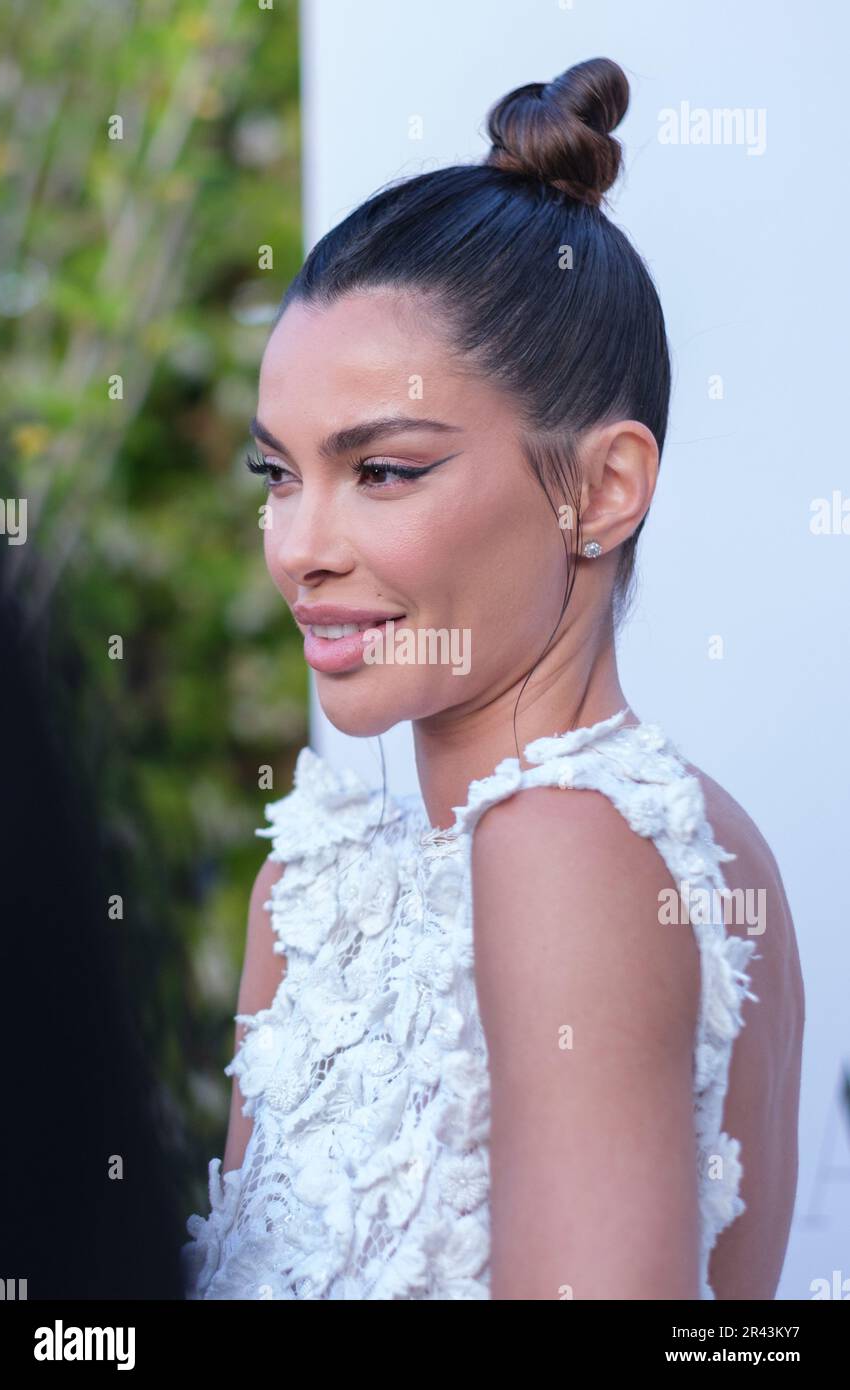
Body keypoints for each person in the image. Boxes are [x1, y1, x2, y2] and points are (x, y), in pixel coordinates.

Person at [181, 56, 804, 1300]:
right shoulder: (310, 891)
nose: (299, 546)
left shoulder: (571, 845)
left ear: (603, 488)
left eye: (385, 470)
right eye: (277, 476)